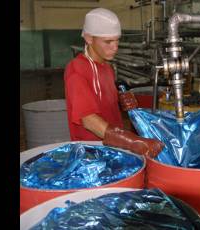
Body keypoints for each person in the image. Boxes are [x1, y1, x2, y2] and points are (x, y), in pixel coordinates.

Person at [64, 8, 163, 157]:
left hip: (113, 148)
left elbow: (100, 98)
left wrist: (119, 99)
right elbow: (88, 120)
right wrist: (132, 141)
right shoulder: (77, 70)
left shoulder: (107, 67)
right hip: (91, 154)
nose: (115, 47)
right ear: (89, 38)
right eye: (108, 41)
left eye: (117, 40)